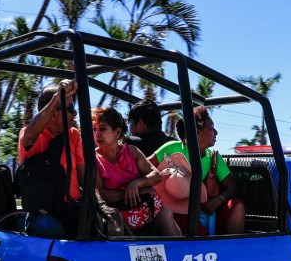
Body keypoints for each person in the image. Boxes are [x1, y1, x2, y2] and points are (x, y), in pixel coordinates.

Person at [150, 105, 246, 235]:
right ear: (198, 133)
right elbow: (144, 166)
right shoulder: (172, 148)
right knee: (202, 238)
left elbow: (231, 186)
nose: (216, 132)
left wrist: (218, 201)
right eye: (211, 128)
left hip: (204, 210)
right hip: (172, 208)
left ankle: (233, 249)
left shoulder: (214, 158)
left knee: (237, 206)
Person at [93, 107, 181, 236]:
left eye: (102, 128)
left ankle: (180, 254)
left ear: (117, 132)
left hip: (143, 214)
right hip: (117, 218)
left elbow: (156, 175)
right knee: (114, 222)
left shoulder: (132, 152)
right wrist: (130, 192)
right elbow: (100, 193)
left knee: (166, 213)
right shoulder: (94, 160)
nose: (97, 134)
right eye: (95, 129)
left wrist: (137, 183)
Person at [18, 79, 84, 237]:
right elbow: (28, 136)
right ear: (53, 111)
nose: (74, 113)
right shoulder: (31, 135)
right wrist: (57, 98)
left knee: (99, 226)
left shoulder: (73, 135)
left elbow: (85, 176)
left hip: (72, 209)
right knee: (51, 229)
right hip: (43, 215)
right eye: (70, 108)